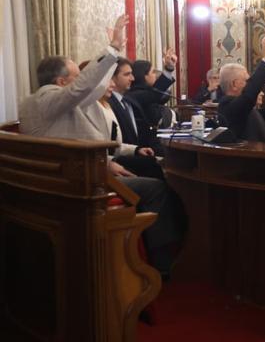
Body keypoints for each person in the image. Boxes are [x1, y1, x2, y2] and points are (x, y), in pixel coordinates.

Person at [18, 15, 183, 276]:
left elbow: (91, 89)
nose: (82, 82)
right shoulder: (46, 100)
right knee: (156, 188)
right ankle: (160, 265)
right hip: (78, 183)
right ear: (61, 82)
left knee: (148, 175)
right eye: (77, 77)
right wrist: (112, 49)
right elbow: (84, 89)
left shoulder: (50, 103)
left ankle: (155, 256)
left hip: (75, 175)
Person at [218, 35, 265, 143]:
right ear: (234, 84)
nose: (250, 84)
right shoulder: (227, 107)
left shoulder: (246, 108)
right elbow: (249, 95)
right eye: (247, 80)